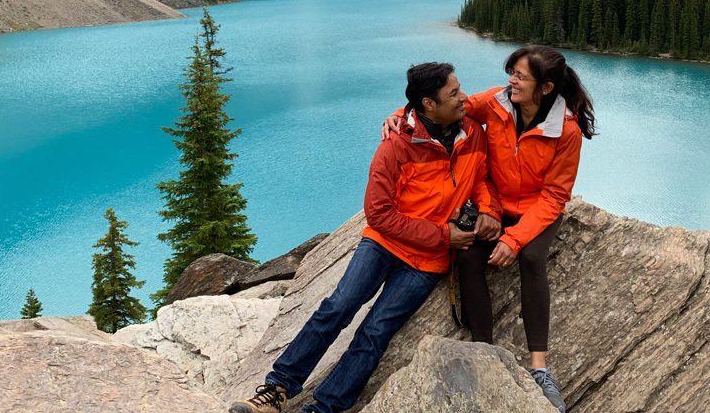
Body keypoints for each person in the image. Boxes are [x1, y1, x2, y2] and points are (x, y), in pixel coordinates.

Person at [229, 62, 499, 413]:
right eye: (453, 93)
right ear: (428, 104)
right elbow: (379, 213)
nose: (464, 98)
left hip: (427, 262)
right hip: (386, 244)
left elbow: (481, 179)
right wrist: (441, 235)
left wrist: (490, 209)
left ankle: (324, 408)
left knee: (376, 331)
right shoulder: (396, 144)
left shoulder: (472, 133)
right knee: (337, 307)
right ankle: (277, 390)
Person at [383, 45, 595, 413]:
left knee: (531, 258)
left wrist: (513, 239)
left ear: (544, 89)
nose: (510, 81)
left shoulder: (567, 130)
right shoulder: (496, 104)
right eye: (510, 72)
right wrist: (401, 115)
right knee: (467, 255)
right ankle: (484, 351)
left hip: (536, 209)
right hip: (494, 204)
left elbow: (555, 195)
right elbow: (446, 106)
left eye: (520, 76)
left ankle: (540, 368)